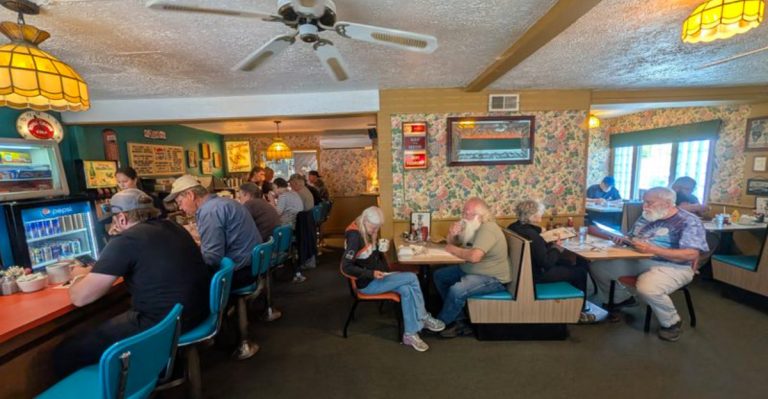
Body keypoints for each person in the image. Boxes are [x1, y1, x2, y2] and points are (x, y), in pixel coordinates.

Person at [53, 189, 210, 377]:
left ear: (121, 218)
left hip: (163, 325)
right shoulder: (173, 226)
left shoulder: (127, 240)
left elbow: (80, 298)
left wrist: (76, 278)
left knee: (66, 352)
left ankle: (118, 385)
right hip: (196, 313)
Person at [589, 187, 708, 342]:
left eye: (649, 203)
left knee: (648, 288)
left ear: (667, 203)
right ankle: (621, 299)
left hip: (673, 266)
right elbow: (632, 238)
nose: (644, 206)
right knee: (599, 267)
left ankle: (671, 322)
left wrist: (653, 249)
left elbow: (691, 254)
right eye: (644, 202)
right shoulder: (647, 216)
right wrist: (623, 240)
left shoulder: (688, 221)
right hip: (639, 259)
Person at [165, 175, 263, 358]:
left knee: (183, 288)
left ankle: (199, 339)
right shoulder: (225, 202)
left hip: (240, 272)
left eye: (180, 202)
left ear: (190, 195)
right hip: (251, 265)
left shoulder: (209, 211)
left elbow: (212, 258)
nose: (180, 208)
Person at [341, 207, 445, 351]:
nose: (375, 230)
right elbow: (345, 267)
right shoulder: (355, 236)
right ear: (365, 220)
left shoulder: (366, 229)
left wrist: (378, 249)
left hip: (378, 277)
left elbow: (368, 257)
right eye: (373, 227)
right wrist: (370, 273)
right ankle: (423, 316)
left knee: (406, 290)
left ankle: (409, 334)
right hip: (367, 284)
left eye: (378, 227)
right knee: (412, 277)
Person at [433, 198, 511, 338]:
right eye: (463, 212)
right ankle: (459, 320)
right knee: (440, 276)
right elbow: (455, 243)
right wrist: (452, 234)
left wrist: (453, 249)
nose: (463, 216)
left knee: (457, 290)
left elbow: (474, 257)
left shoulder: (488, 229)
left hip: (492, 277)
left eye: (466, 213)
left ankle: (441, 323)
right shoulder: (473, 227)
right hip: (470, 270)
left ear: (479, 216)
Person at [507, 200, 593, 322]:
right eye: (540, 212)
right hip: (536, 275)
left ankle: (569, 305)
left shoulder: (513, 227)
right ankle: (579, 311)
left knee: (567, 263)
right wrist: (557, 248)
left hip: (522, 270)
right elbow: (546, 263)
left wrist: (543, 236)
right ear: (532, 216)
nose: (541, 215)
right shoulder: (532, 235)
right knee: (580, 272)